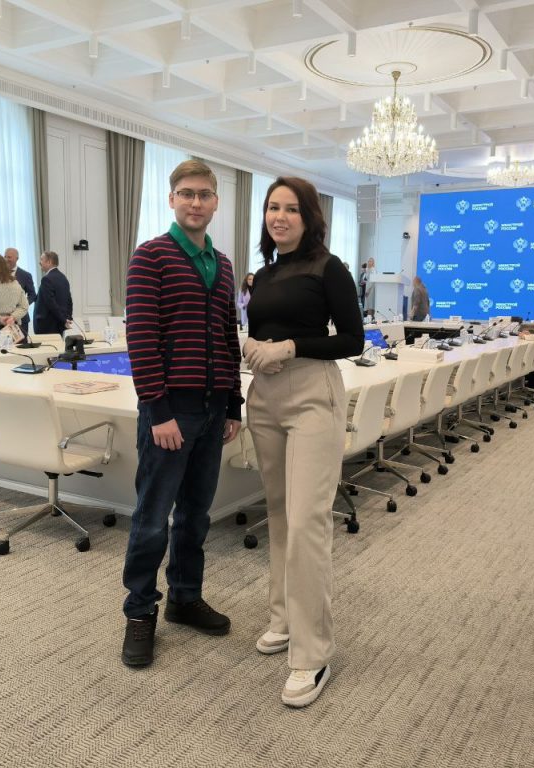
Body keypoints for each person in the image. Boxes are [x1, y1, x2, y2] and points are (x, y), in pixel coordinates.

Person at [243, 176, 364, 708]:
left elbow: (353, 339)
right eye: (273, 207)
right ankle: (284, 618)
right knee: (278, 513)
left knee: (307, 521)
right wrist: (250, 344)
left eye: (291, 208)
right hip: (264, 396)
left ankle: (313, 654)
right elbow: (261, 329)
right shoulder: (265, 274)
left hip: (313, 393)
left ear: (309, 217)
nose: (280, 216)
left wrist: (290, 346)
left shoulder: (328, 267)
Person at [121, 159, 242, 668]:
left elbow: (228, 336)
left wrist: (233, 403)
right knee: (153, 518)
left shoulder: (224, 264)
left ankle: (185, 598)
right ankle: (139, 611)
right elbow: (141, 338)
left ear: (216, 202)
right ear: (172, 199)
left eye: (204, 194)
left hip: (214, 410)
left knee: (195, 515)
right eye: (187, 193)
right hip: (171, 411)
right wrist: (159, 411)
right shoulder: (150, 256)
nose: (196, 202)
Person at [33, 250, 73, 335]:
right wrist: (66, 319)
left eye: (41, 259)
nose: (39, 262)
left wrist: (64, 319)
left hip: (46, 326)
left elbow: (50, 303)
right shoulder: (63, 278)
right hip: (60, 325)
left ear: (49, 262)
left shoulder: (46, 279)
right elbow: (69, 301)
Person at [4, 247, 36, 337]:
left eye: (9, 257)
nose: (6, 259)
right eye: (5, 256)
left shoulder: (26, 275)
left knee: (22, 344)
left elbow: (32, 295)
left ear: (17, 258)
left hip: (21, 318)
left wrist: (23, 305)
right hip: (3, 319)